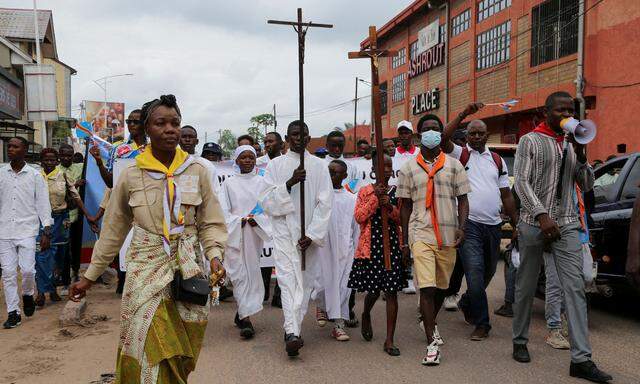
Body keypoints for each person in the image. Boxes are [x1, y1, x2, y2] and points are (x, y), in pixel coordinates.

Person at [69, 95, 228, 383]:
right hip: (145, 269)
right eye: (161, 123)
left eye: (175, 123)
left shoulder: (198, 171)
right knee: (149, 342)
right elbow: (113, 231)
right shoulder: (131, 175)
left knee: (181, 349)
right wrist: (89, 277)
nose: (170, 129)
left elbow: (211, 222)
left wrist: (215, 256)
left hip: (188, 269)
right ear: (146, 129)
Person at [512, 91, 611, 383]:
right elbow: (522, 182)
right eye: (560, 110)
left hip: (567, 223)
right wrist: (541, 215)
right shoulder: (529, 141)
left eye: (571, 110)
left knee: (575, 289)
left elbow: (587, 184)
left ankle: (581, 359)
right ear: (546, 113)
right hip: (533, 221)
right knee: (526, 286)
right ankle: (519, 340)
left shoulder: (573, 143)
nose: (567, 114)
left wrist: (581, 156)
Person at [440, 113, 519, 341]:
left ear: (487, 135)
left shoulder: (497, 160)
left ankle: (467, 302)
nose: (476, 137)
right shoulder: (461, 154)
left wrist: (517, 223)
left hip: (494, 226)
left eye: (480, 133)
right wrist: (464, 113)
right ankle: (482, 324)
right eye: (472, 133)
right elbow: (445, 137)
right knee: (474, 273)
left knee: (488, 273)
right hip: (469, 225)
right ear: (467, 136)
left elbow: (506, 195)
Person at [259, 120, 332, 357]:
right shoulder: (275, 166)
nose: (299, 139)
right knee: (288, 282)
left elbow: (325, 203)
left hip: (308, 236)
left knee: (305, 282)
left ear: (309, 138)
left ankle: (293, 326)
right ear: (288, 139)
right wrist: (289, 183)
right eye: (294, 135)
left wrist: (311, 234)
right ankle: (292, 333)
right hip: (284, 232)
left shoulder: (320, 166)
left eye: (303, 135)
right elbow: (266, 202)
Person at [398, 127, 470, 366]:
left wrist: (462, 226)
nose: (431, 138)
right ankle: (431, 344)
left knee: (442, 287)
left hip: (448, 234)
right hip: (420, 232)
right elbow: (405, 205)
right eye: (426, 135)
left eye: (435, 134)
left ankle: (428, 319)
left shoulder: (454, 165)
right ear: (420, 141)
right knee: (426, 288)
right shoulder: (408, 168)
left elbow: (463, 199)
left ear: (441, 140)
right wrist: (405, 240)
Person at [348, 152, 406, 355]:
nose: (386, 170)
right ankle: (366, 314)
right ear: (373, 170)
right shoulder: (365, 191)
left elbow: (401, 220)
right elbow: (359, 217)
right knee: (373, 291)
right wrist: (375, 199)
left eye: (389, 166)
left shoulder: (398, 191)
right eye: (382, 166)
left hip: (391, 248)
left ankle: (389, 340)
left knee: (391, 292)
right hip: (371, 249)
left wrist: (388, 205)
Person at [0, 137, 53, 329]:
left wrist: (46, 230)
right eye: (9, 146)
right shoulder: (1, 173)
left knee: (28, 270)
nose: (10, 149)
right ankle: (13, 312)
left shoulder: (34, 175)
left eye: (15, 146)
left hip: (27, 230)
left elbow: (43, 204)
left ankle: (28, 293)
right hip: (4, 231)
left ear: (25, 150)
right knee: (7, 273)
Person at [220, 145, 271, 339]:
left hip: (253, 234)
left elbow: (268, 208)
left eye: (251, 157)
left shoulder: (262, 183)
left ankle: (243, 313)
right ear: (237, 160)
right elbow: (223, 210)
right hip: (235, 234)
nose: (248, 160)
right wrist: (238, 221)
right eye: (244, 157)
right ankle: (246, 319)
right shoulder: (228, 184)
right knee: (239, 274)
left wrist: (256, 219)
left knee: (251, 272)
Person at [35, 148, 93, 307]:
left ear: (57, 161)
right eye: (46, 160)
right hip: (39, 221)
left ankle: (53, 289)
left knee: (58, 257)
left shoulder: (64, 176)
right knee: (41, 256)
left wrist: (88, 216)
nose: (49, 162)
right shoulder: (35, 177)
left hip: (60, 220)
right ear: (41, 161)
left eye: (52, 160)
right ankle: (40, 292)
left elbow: (76, 197)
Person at [315, 160, 358, 341]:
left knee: (343, 286)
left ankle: (339, 325)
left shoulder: (352, 199)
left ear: (344, 176)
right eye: (329, 172)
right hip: (323, 249)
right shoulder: (319, 196)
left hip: (345, 250)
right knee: (323, 281)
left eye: (336, 173)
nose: (332, 176)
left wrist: (355, 251)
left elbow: (355, 228)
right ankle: (322, 306)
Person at [255, 131, 283, 307]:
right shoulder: (257, 164)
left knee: (281, 256)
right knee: (265, 254)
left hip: (281, 214)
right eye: (265, 141)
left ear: (281, 144)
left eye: (271, 141)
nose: (267, 144)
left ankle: (279, 294)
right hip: (262, 214)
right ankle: (263, 289)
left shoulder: (287, 163)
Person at [91, 109, 146, 188]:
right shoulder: (117, 148)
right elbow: (111, 183)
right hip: (126, 198)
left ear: (145, 124)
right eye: (129, 121)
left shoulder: (154, 147)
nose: (131, 124)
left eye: (136, 122)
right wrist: (99, 162)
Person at [57, 143, 85, 289]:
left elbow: (91, 170)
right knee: (64, 247)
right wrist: (76, 184)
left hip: (78, 214)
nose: (66, 158)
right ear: (59, 156)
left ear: (73, 156)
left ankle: (76, 271)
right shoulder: (56, 171)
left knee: (76, 245)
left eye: (69, 155)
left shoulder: (80, 168)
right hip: (63, 215)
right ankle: (65, 279)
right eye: (63, 155)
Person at [180, 125, 220, 195]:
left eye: (191, 137)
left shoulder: (207, 165)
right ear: (178, 140)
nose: (187, 140)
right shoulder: (170, 163)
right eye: (184, 137)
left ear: (197, 141)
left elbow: (215, 192)